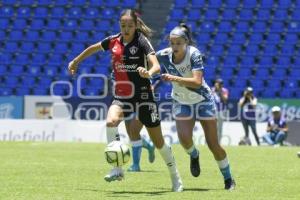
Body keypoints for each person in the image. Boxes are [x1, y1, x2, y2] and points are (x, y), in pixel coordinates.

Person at [68, 9, 183, 192]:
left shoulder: (142, 42)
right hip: (122, 95)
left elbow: (156, 65)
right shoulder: (113, 41)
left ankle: (175, 177)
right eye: (123, 25)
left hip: (144, 96)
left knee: (159, 142)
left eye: (130, 25)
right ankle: (117, 169)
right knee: (111, 121)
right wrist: (76, 61)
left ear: (136, 25)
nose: (126, 29)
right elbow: (93, 48)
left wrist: (149, 72)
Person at [156, 23, 236, 190]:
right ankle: (194, 154)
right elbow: (151, 62)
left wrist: (173, 78)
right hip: (181, 101)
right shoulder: (163, 55)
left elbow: (197, 82)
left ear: (186, 43)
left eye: (178, 43)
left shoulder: (194, 54)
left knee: (213, 144)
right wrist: (147, 75)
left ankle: (228, 179)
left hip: (202, 100)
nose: (175, 46)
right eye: (172, 43)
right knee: (184, 140)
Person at [212, 78, 229, 143]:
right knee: (211, 127)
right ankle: (210, 141)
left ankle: (218, 142)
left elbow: (225, 99)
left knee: (219, 128)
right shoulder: (212, 90)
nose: (220, 85)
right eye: (218, 83)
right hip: (212, 111)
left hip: (221, 111)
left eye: (221, 84)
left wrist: (220, 91)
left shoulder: (224, 90)